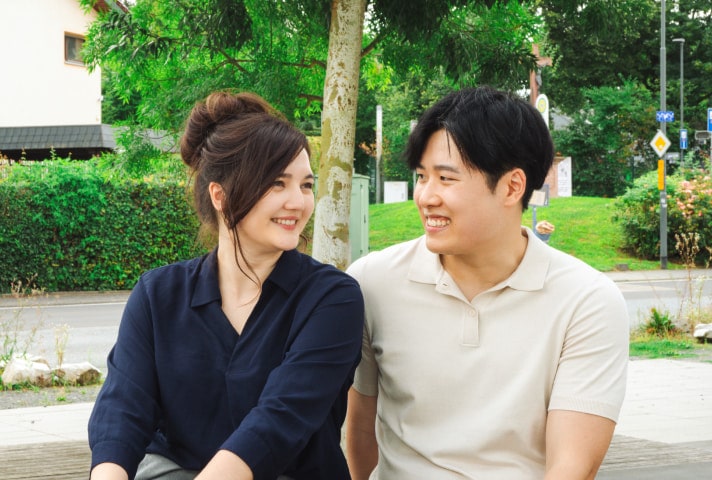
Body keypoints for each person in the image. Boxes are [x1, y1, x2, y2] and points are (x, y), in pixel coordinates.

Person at [345, 86, 628, 480]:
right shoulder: (371, 281)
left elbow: (572, 466)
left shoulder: (588, 301)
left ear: (512, 187)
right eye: (422, 177)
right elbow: (358, 429)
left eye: (446, 178)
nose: (426, 196)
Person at [88, 91, 364, 480]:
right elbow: (122, 409)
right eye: (277, 184)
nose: (298, 202)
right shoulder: (158, 294)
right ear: (220, 194)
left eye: (305, 185)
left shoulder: (331, 298)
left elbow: (280, 419)